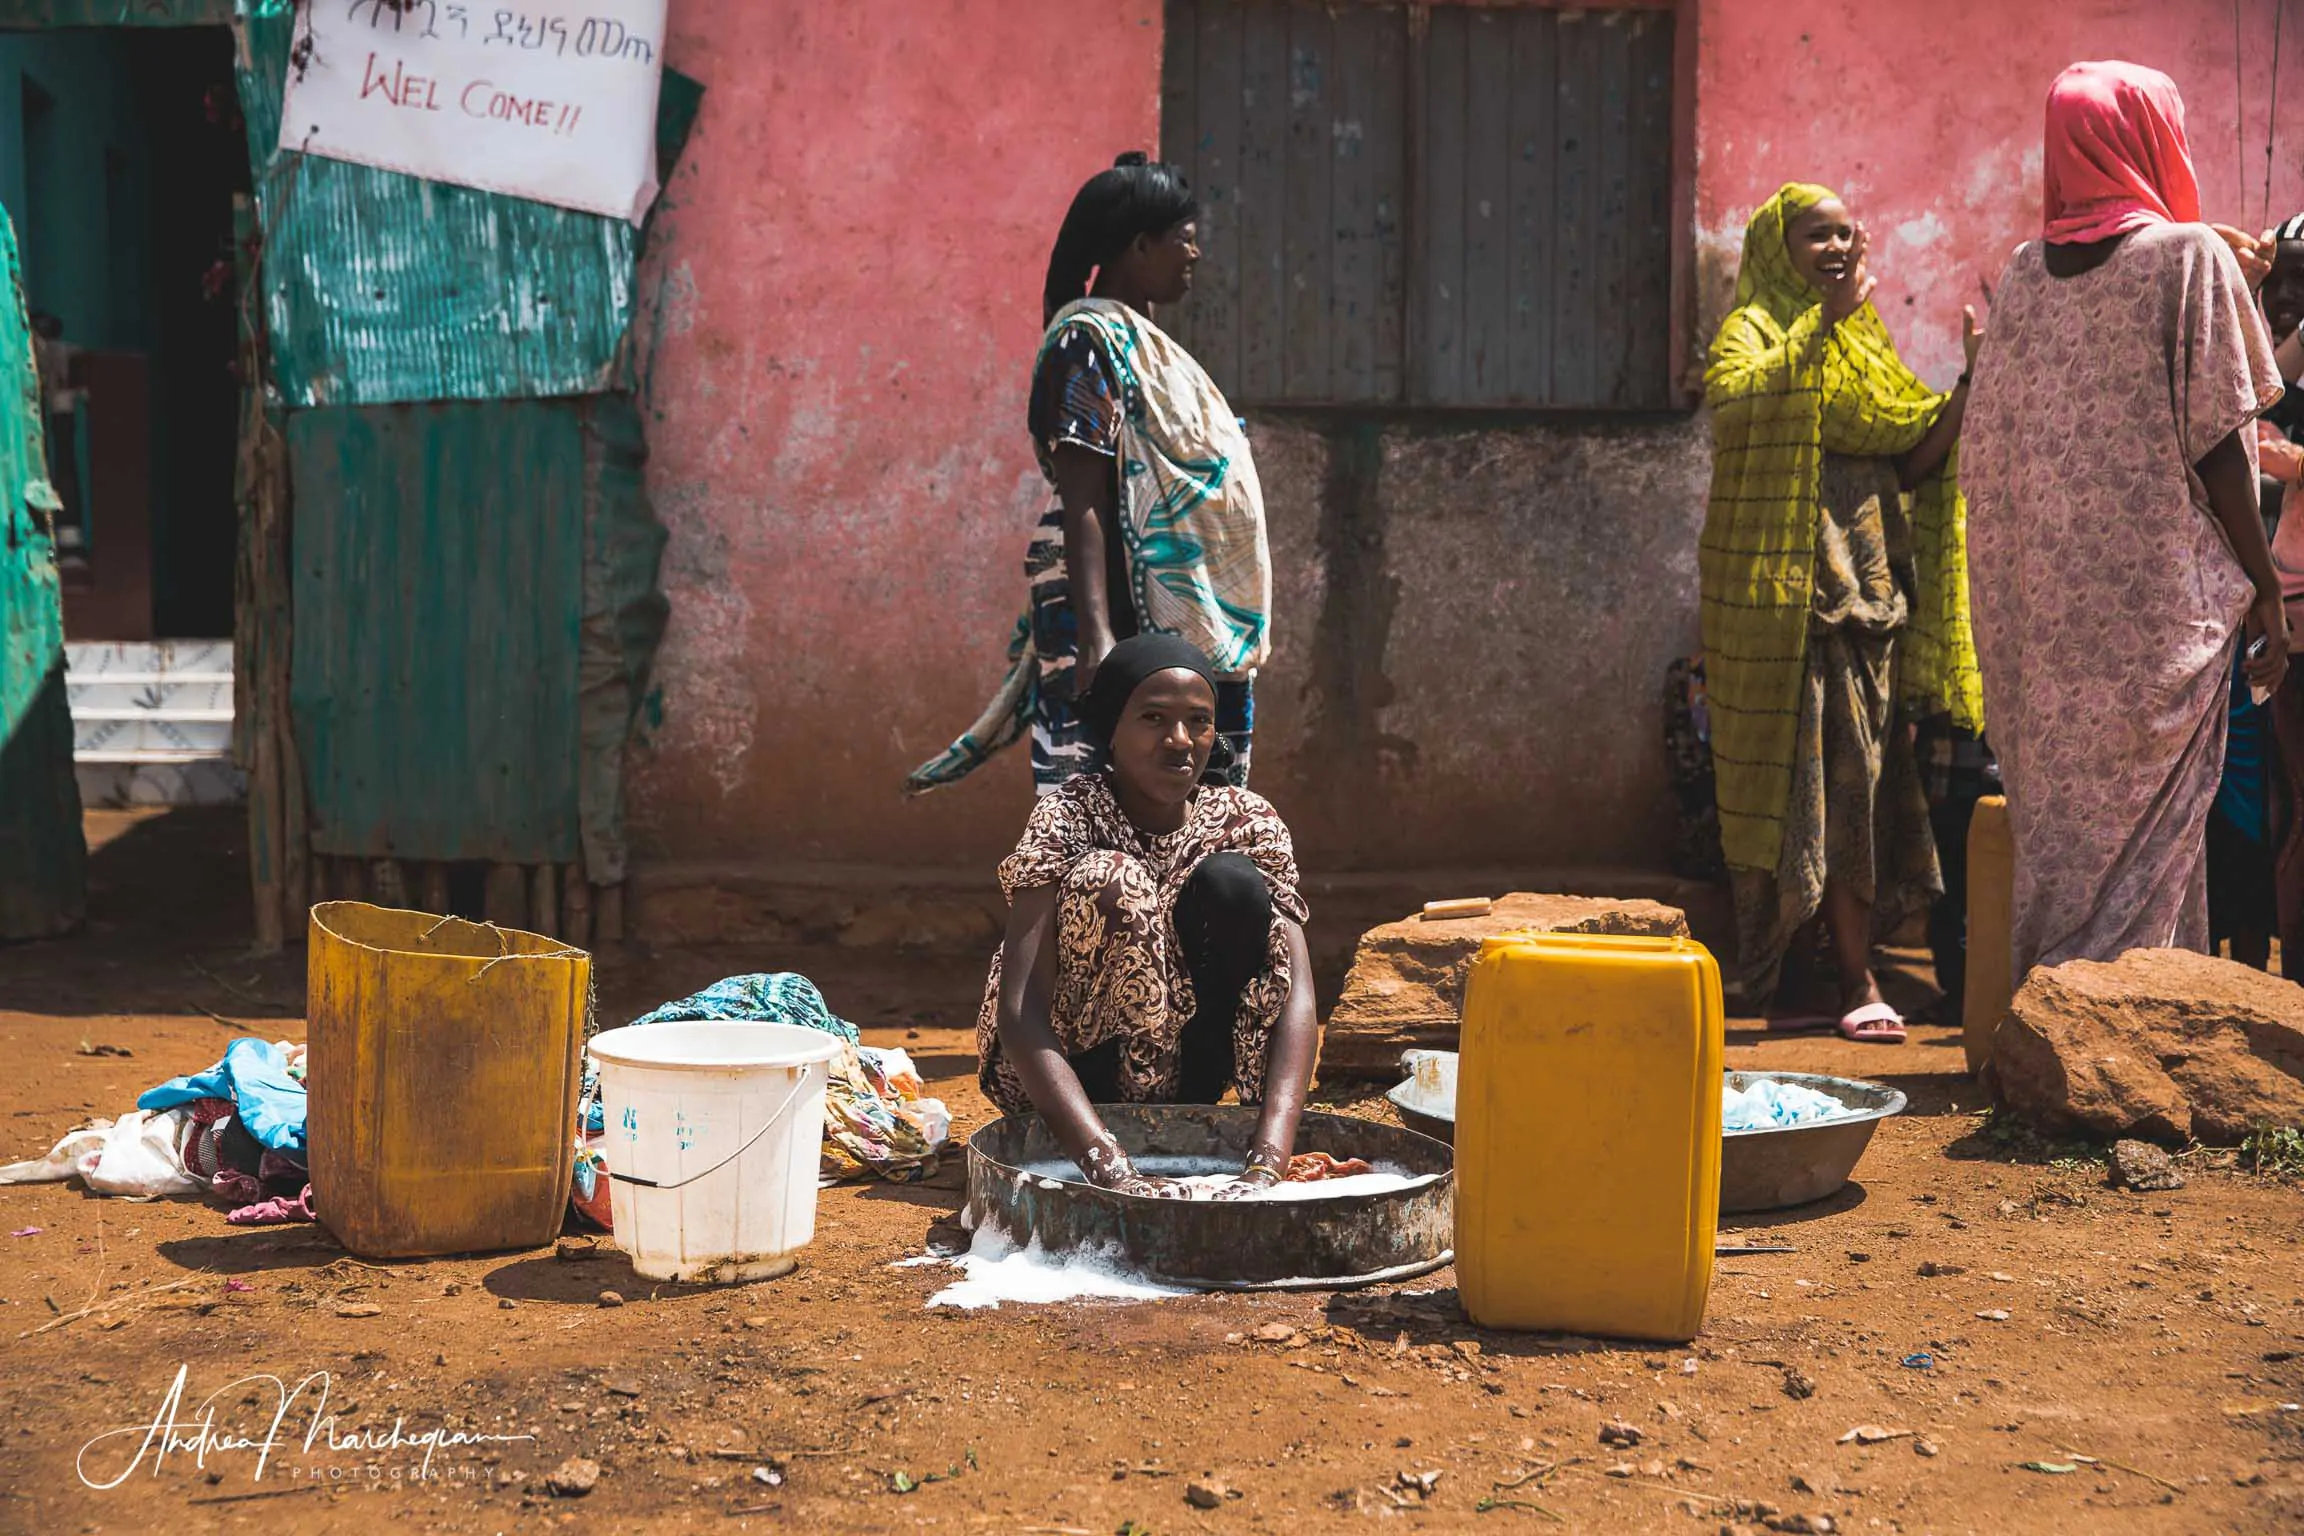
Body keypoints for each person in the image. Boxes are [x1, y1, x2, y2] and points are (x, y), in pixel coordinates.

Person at [1961, 61, 2290, 981]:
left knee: (2066, 827)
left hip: (2047, 622)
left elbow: (1986, 460)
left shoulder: (2026, 277)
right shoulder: (2191, 260)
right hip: (2155, 618)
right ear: (2152, 136)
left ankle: (2057, 1011)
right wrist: (2265, 590)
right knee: (2152, 836)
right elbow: (2222, 443)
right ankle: (2123, 1033)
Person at [1700, 183, 1985, 1043]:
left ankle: (1856, 974)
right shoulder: (1753, 332)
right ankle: (1806, 969)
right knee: (1793, 795)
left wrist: (1972, 380)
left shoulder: (1862, 342)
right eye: (1816, 235)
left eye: (1847, 236)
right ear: (1775, 247)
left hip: (1865, 607)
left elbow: (1910, 458)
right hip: (1784, 614)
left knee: (1858, 790)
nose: (1836, 249)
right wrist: (1818, 322)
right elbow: (1742, 403)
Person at [909, 153, 1270, 798]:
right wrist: (1097, 637)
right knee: (1097, 809)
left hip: (1174, 611)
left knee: (1199, 815)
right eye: (1184, 240)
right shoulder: (1086, 342)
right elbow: (1086, 498)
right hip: (1114, 600)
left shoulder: (1146, 346)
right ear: (1140, 245)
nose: (1195, 255)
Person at [973, 634, 1318, 1198]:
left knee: (1232, 884)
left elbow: (1296, 991)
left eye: (1199, 721)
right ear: (1112, 727)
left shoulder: (1247, 821)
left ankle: (1180, 1117)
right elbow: (1018, 1011)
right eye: (1154, 717)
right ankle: (1100, 1131)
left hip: (1187, 1081)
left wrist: (1268, 1161)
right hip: (1067, 1075)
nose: (1180, 741)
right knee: (1115, 881)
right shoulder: (1068, 816)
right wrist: (1110, 1167)